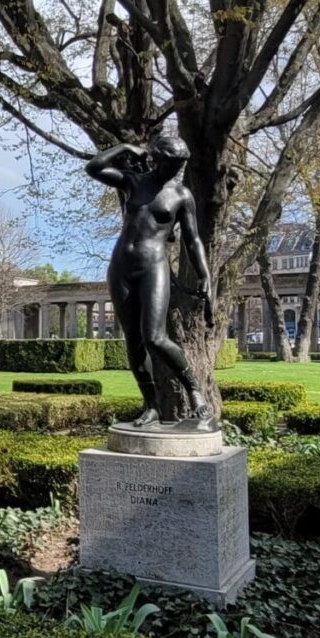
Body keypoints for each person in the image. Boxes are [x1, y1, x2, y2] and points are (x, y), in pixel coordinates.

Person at [86, 135, 213, 425]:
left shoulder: (181, 195)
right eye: (171, 163)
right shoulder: (134, 181)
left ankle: (194, 389)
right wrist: (126, 148)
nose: (175, 169)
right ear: (157, 158)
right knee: (133, 342)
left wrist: (204, 274)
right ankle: (151, 406)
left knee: (155, 337)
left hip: (154, 267)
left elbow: (193, 241)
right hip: (121, 266)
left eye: (180, 165)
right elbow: (93, 168)